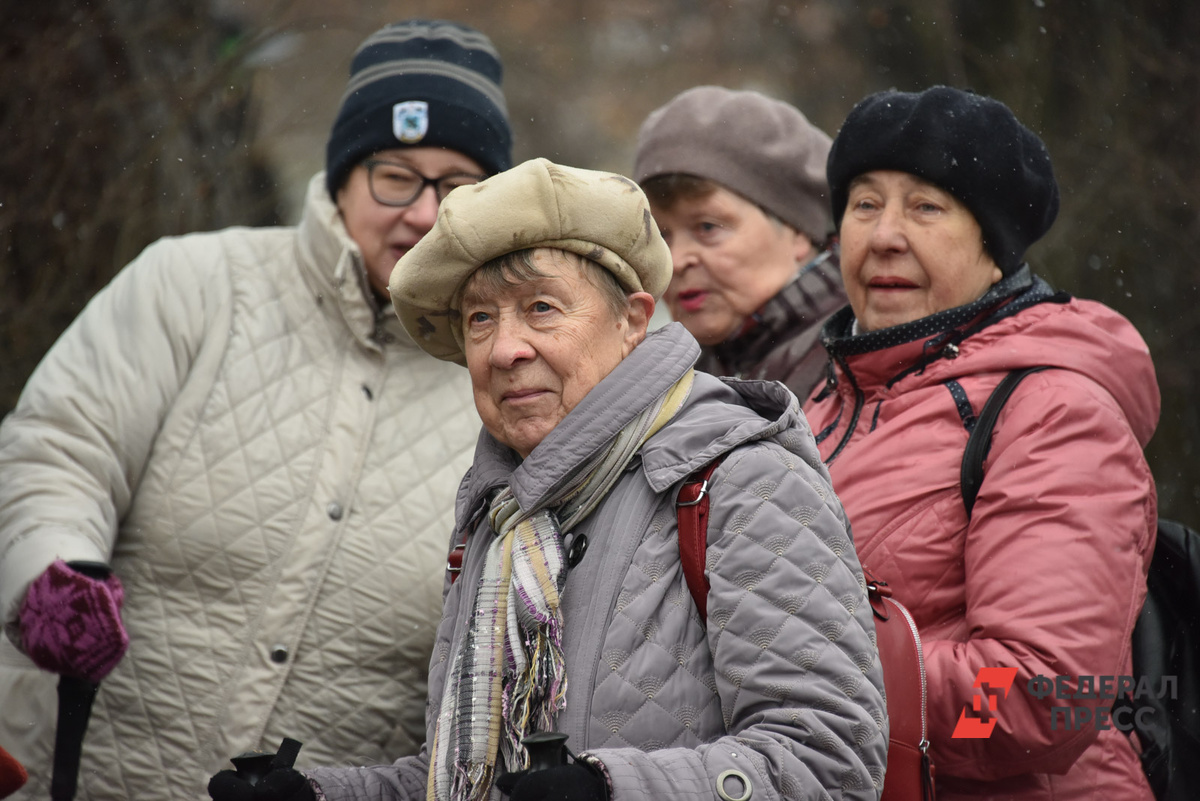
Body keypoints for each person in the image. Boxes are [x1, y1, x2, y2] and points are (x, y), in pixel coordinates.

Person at [209, 157, 890, 801]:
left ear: (633, 319)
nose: (506, 348)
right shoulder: (499, 516)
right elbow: (470, 773)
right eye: (480, 318)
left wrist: (611, 788)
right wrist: (325, 793)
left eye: (541, 307)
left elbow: (828, 759)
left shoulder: (741, 475)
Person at [0, 19, 512, 801]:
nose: (421, 212)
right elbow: (59, 449)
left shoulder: (509, 378)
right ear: (342, 176)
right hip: (76, 774)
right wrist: (53, 567)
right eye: (394, 175)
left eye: (457, 186)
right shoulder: (195, 283)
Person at [804, 85, 1159, 800]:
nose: (883, 236)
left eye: (926, 207)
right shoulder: (820, 407)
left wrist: (806, 676)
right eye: (865, 204)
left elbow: (1039, 696)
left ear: (995, 250)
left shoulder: (1053, 409)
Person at [633, 85, 847, 402]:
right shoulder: (676, 377)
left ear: (797, 231)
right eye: (661, 236)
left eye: (707, 227)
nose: (676, 261)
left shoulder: (853, 360)